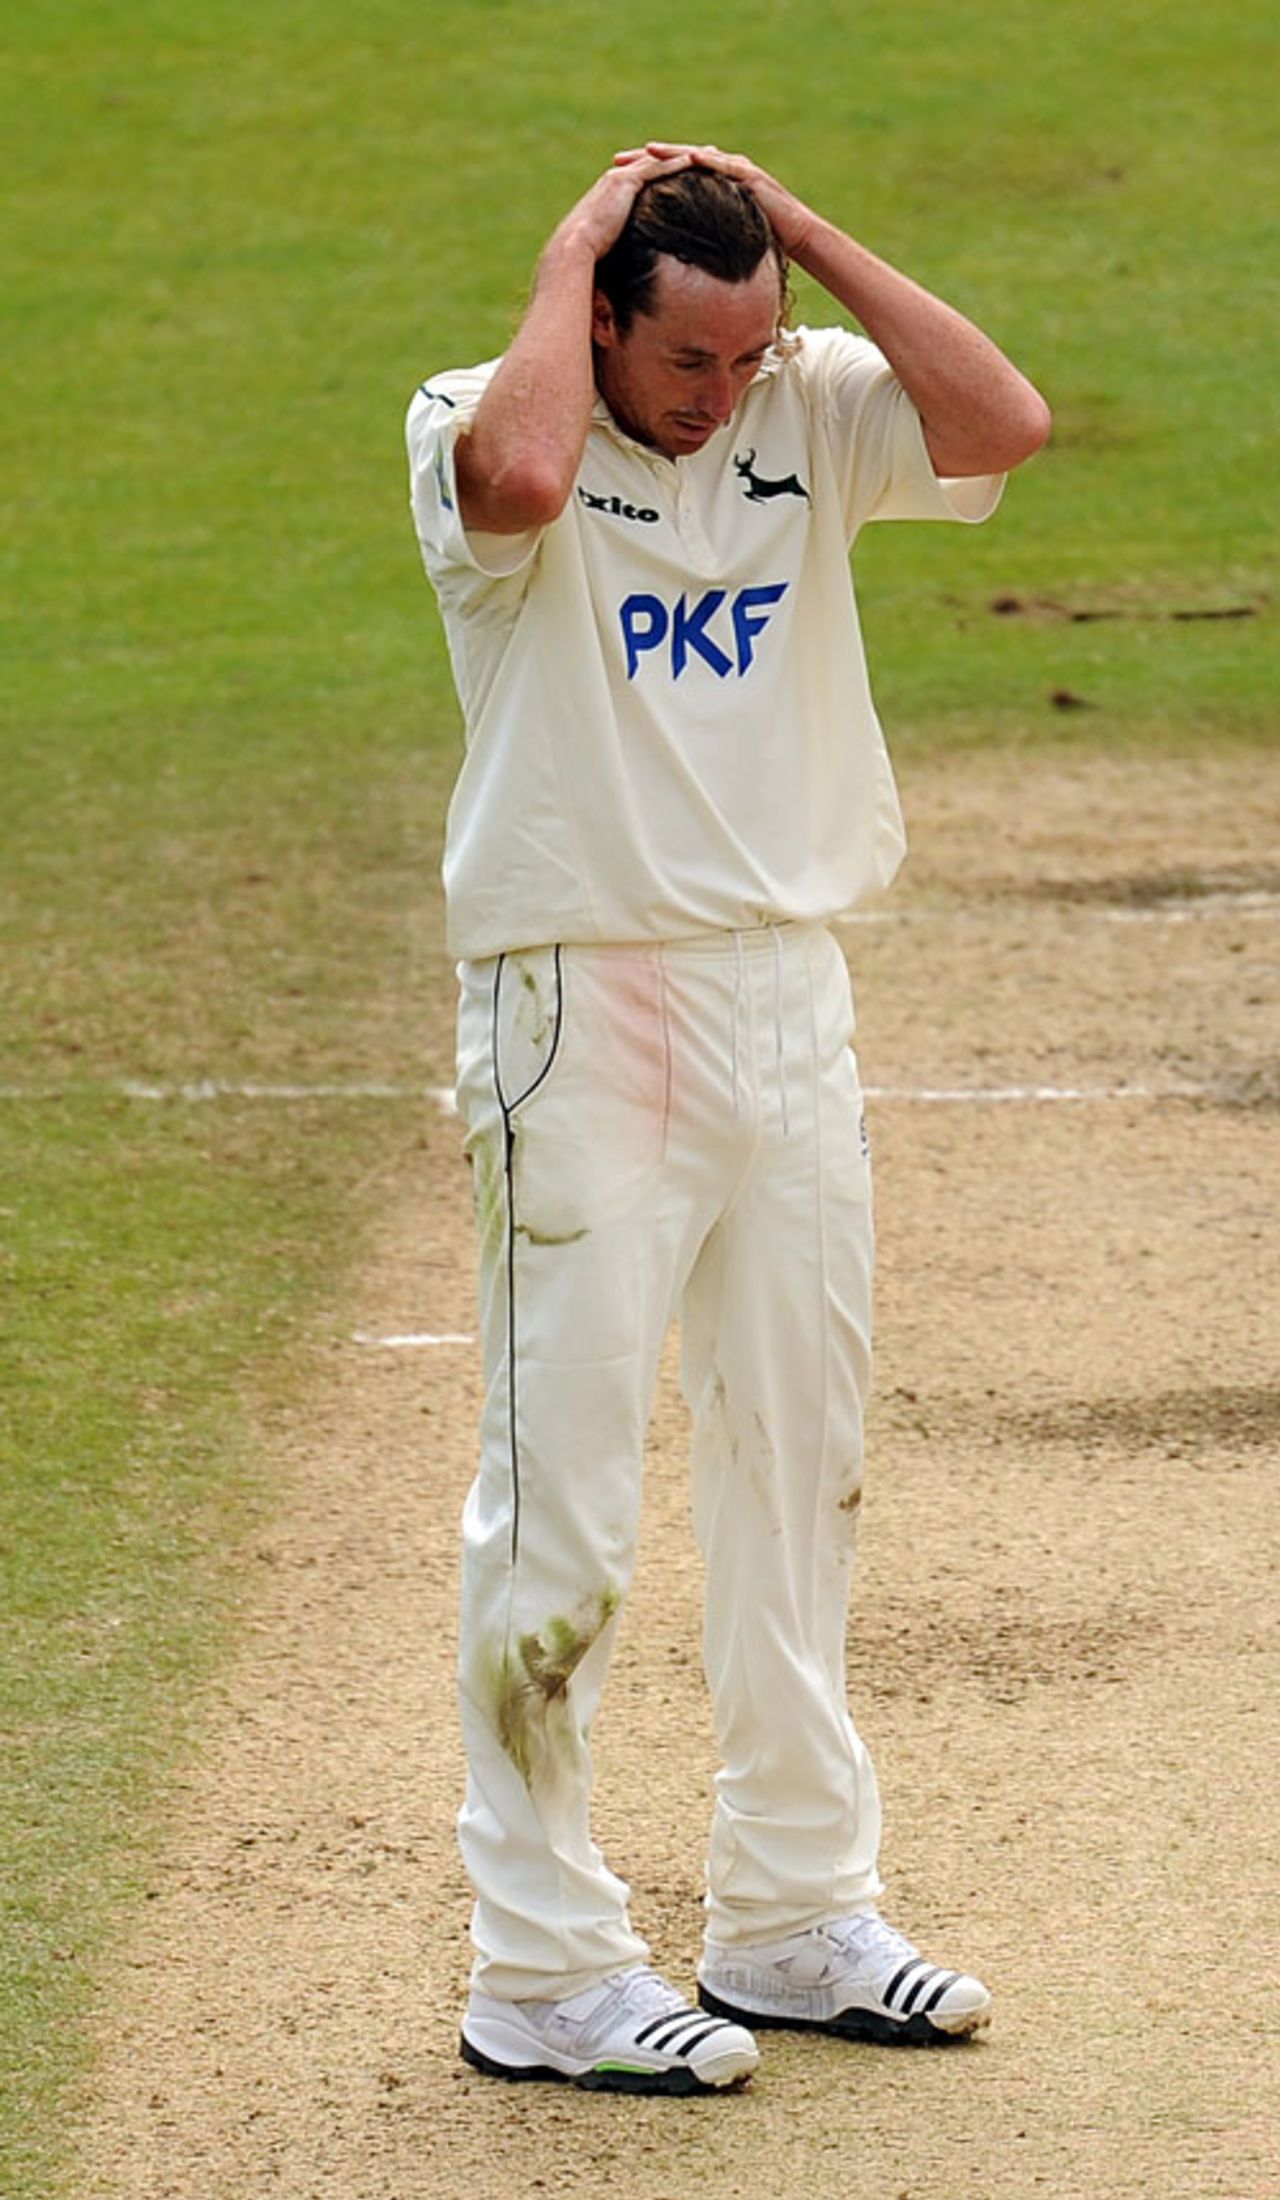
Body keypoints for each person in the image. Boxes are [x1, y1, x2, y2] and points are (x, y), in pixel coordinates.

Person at [406, 141, 1050, 2096]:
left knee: (798, 1463)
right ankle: (536, 1965)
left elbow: (1002, 418)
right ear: (600, 312)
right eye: (687, 362)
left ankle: (787, 1908)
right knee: (565, 1505)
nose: (722, 395)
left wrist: (805, 244)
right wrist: (565, 246)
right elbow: (520, 486)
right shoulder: (478, 411)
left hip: (785, 993)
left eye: (751, 356)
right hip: (580, 1003)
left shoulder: (806, 401)